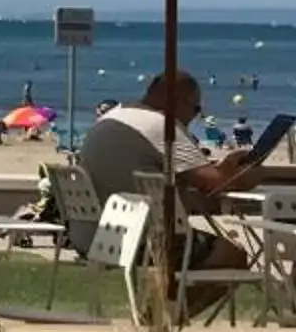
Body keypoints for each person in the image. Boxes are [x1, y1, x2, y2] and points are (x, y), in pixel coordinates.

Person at [80, 70, 265, 313]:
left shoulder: (111, 118)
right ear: (177, 101)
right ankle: (164, 317)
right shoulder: (161, 127)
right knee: (232, 255)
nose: (194, 117)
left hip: (93, 235)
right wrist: (250, 174)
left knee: (208, 244)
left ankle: (163, 312)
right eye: (196, 109)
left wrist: (224, 167)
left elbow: (202, 179)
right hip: (144, 241)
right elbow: (215, 184)